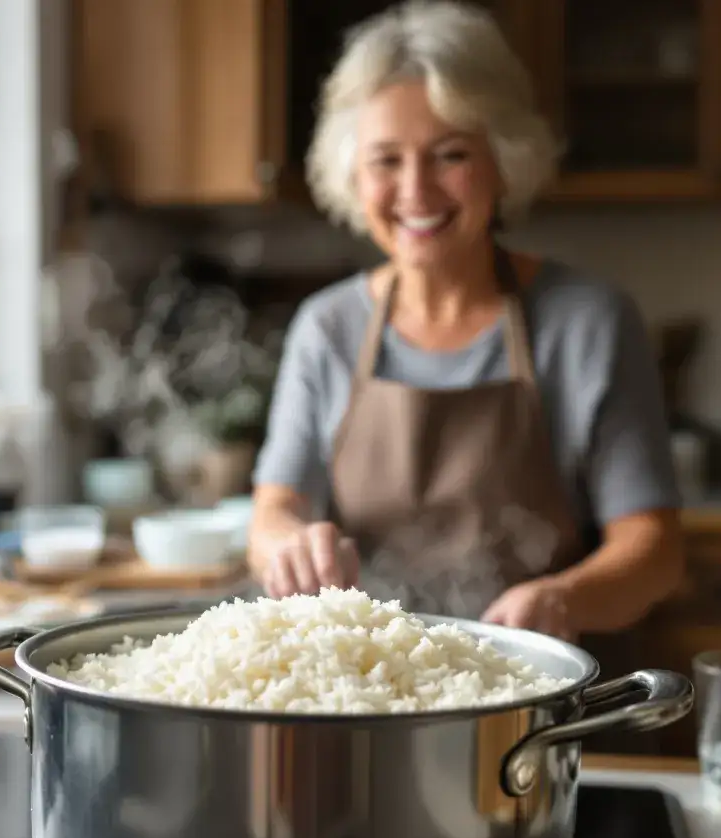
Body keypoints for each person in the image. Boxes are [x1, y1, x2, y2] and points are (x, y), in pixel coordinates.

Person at [246, 0, 684, 647]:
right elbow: (272, 508)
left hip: (537, 697)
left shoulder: (589, 323)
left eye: (450, 154)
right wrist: (286, 544)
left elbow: (653, 549)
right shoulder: (327, 328)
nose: (416, 190)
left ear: (503, 160)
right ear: (351, 173)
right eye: (386, 160)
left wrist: (564, 598)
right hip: (363, 696)